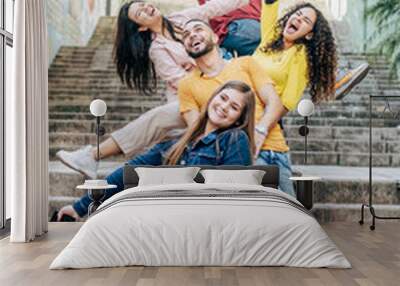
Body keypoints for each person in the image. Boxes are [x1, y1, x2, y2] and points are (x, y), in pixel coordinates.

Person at [56, 0, 367, 179]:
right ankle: (92, 156)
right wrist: (208, 70)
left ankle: (277, 163)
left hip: (228, 82)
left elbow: (218, 6)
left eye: (145, 3)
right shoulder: (158, 49)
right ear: (139, 26)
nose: (148, 8)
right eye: (141, 13)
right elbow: (183, 84)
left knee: (270, 59)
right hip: (198, 97)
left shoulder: (183, 18)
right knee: (157, 125)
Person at [57, 80, 256, 220]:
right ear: (213, 97)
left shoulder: (235, 139)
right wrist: (79, 207)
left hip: (203, 222)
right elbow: (128, 172)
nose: (223, 106)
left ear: (239, 119)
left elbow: (235, 194)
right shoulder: (176, 141)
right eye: (222, 98)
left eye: (234, 107)